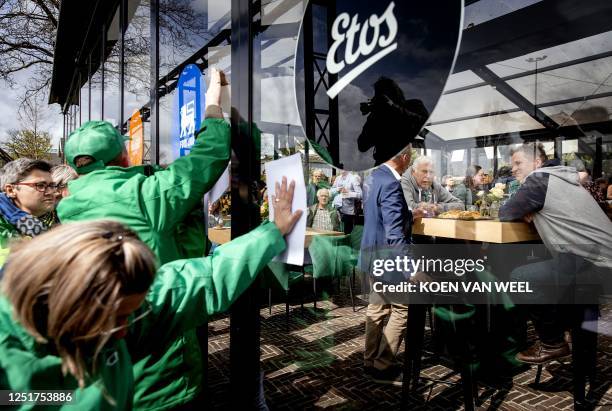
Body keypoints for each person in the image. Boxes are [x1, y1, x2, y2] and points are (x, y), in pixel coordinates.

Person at [0, 177, 302, 410]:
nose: (123, 330)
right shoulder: (9, 352)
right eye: (109, 316)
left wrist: (273, 230)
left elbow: (207, 277)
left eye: (129, 312)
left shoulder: (135, 304)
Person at [57, 68, 231, 410]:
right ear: (124, 157)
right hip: (161, 376)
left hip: (107, 368)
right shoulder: (145, 194)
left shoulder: (67, 209)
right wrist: (213, 103)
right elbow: (208, 156)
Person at [499, 143, 612, 364]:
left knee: (521, 277)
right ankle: (570, 327)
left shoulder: (539, 178)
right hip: (599, 260)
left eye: (518, 163)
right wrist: (526, 209)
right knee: (550, 267)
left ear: (537, 162)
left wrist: (523, 210)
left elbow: (506, 212)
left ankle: (552, 343)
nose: (513, 169)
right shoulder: (560, 178)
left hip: (597, 265)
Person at [360, 145, 425, 386]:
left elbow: (380, 217)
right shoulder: (391, 184)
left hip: (372, 255)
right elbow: (394, 235)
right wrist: (411, 269)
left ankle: (369, 361)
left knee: (376, 308)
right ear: (405, 158)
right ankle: (382, 365)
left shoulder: (374, 177)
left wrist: (409, 214)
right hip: (389, 260)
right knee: (401, 309)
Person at [357, 76, 429, 166]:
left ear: (395, 93)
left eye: (383, 95)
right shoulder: (378, 116)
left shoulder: (413, 105)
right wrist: (374, 115)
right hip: (386, 167)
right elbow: (362, 145)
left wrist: (393, 107)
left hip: (411, 165)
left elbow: (425, 127)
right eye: (378, 95)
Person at [0, 158, 57, 266]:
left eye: (52, 185)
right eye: (40, 185)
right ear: (11, 190)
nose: (51, 192)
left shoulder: (61, 218)